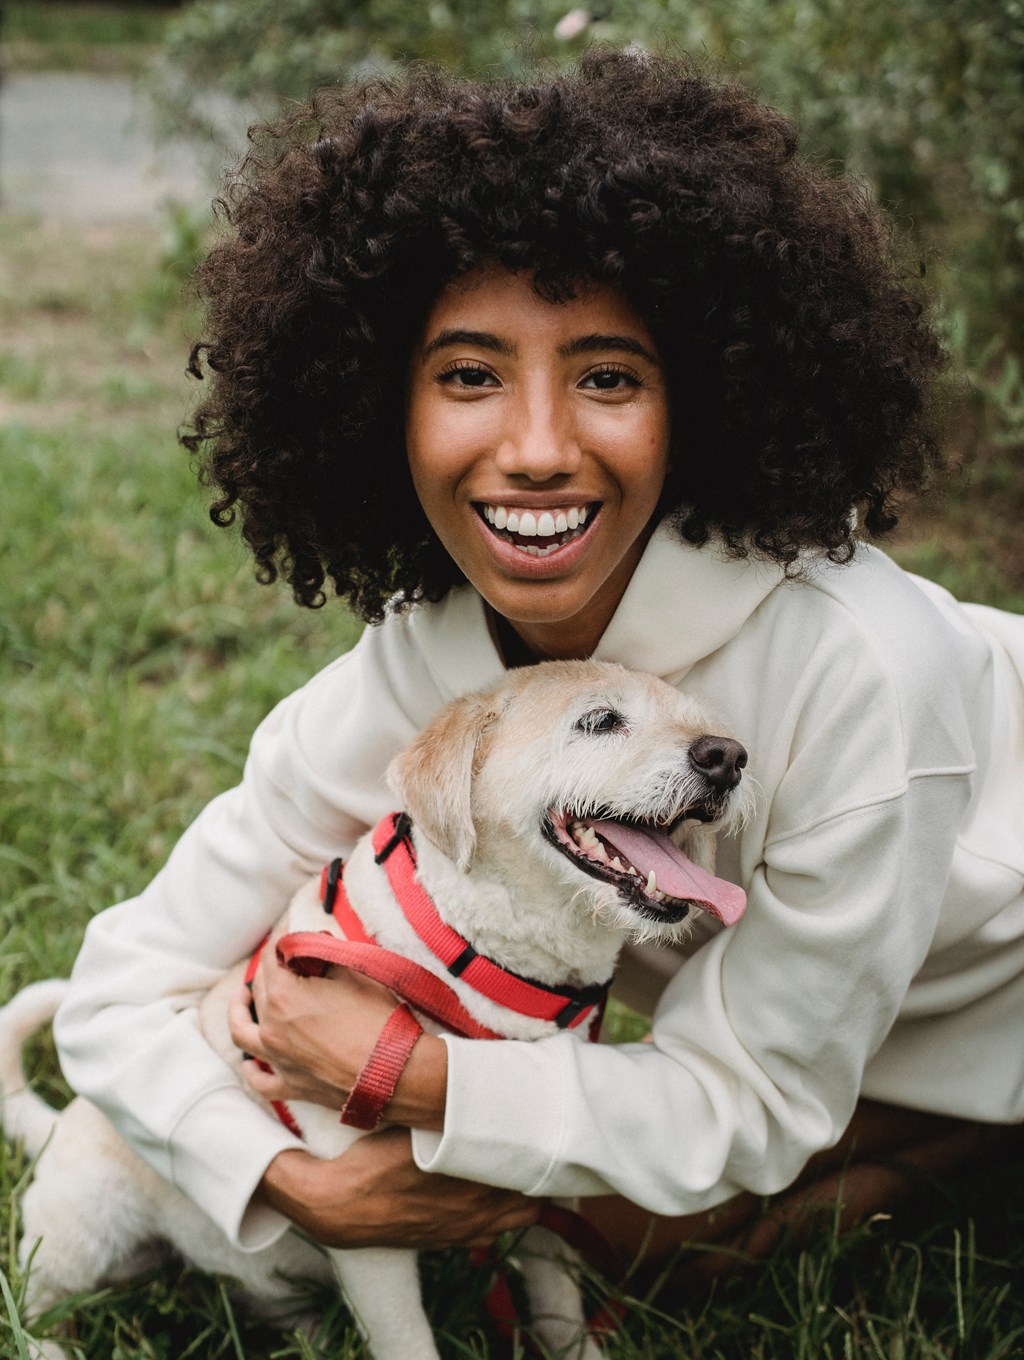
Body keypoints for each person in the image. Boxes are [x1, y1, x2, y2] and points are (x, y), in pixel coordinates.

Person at [54, 51, 1024, 1282]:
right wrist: (281, 1179)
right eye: (468, 375)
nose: (535, 448)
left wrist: (424, 1080)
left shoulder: (866, 675)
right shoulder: (437, 670)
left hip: (988, 991)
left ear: (706, 403)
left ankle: (953, 1136)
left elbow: (752, 1106)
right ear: (376, 406)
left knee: (631, 1242)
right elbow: (114, 993)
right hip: (805, 1022)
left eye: (608, 377)